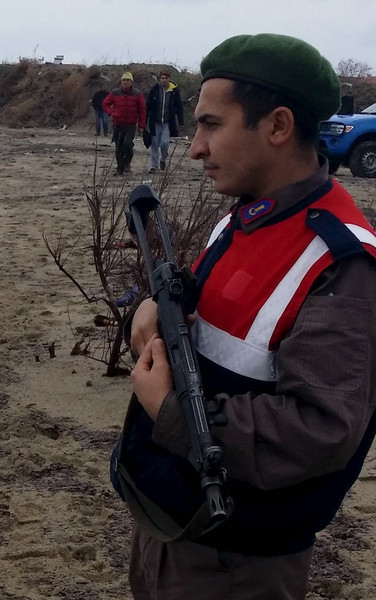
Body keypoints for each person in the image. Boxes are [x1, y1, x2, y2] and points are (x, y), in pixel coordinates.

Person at [112, 33, 376, 599]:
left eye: (211, 125)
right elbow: (224, 312)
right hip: (173, 526)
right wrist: (161, 304)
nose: (195, 148)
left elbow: (323, 429)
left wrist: (172, 412)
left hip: (236, 563)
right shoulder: (244, 218)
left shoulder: (342, 263)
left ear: (278, 127)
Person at [102, 72, 147, 175]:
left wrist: (141, 126)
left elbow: (142, 111)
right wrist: (111, 112)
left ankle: (127, 163)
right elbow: (105, 103)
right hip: (118, 124)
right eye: (124, 80)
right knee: (118, 147)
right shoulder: (115, 93)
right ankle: (119, 168)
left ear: (131, 83)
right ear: (121, 82)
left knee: (127, 144)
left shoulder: (137, 94)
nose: (125, 82)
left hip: (130, 125)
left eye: (128, 80)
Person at [145, 70, 184, 173]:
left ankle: (163, 159)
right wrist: (144, 121)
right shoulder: (155, 90)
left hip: (167, 122)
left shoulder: (174, 91)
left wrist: (181, 122)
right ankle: (154, 166)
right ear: (159, 79)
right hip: (155, 122)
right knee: (154, 145)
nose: (164, 80)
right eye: (162, 78)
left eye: (166, 78)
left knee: (164, 143)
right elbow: (147, 106)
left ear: (169, 79)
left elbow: (179, 107)